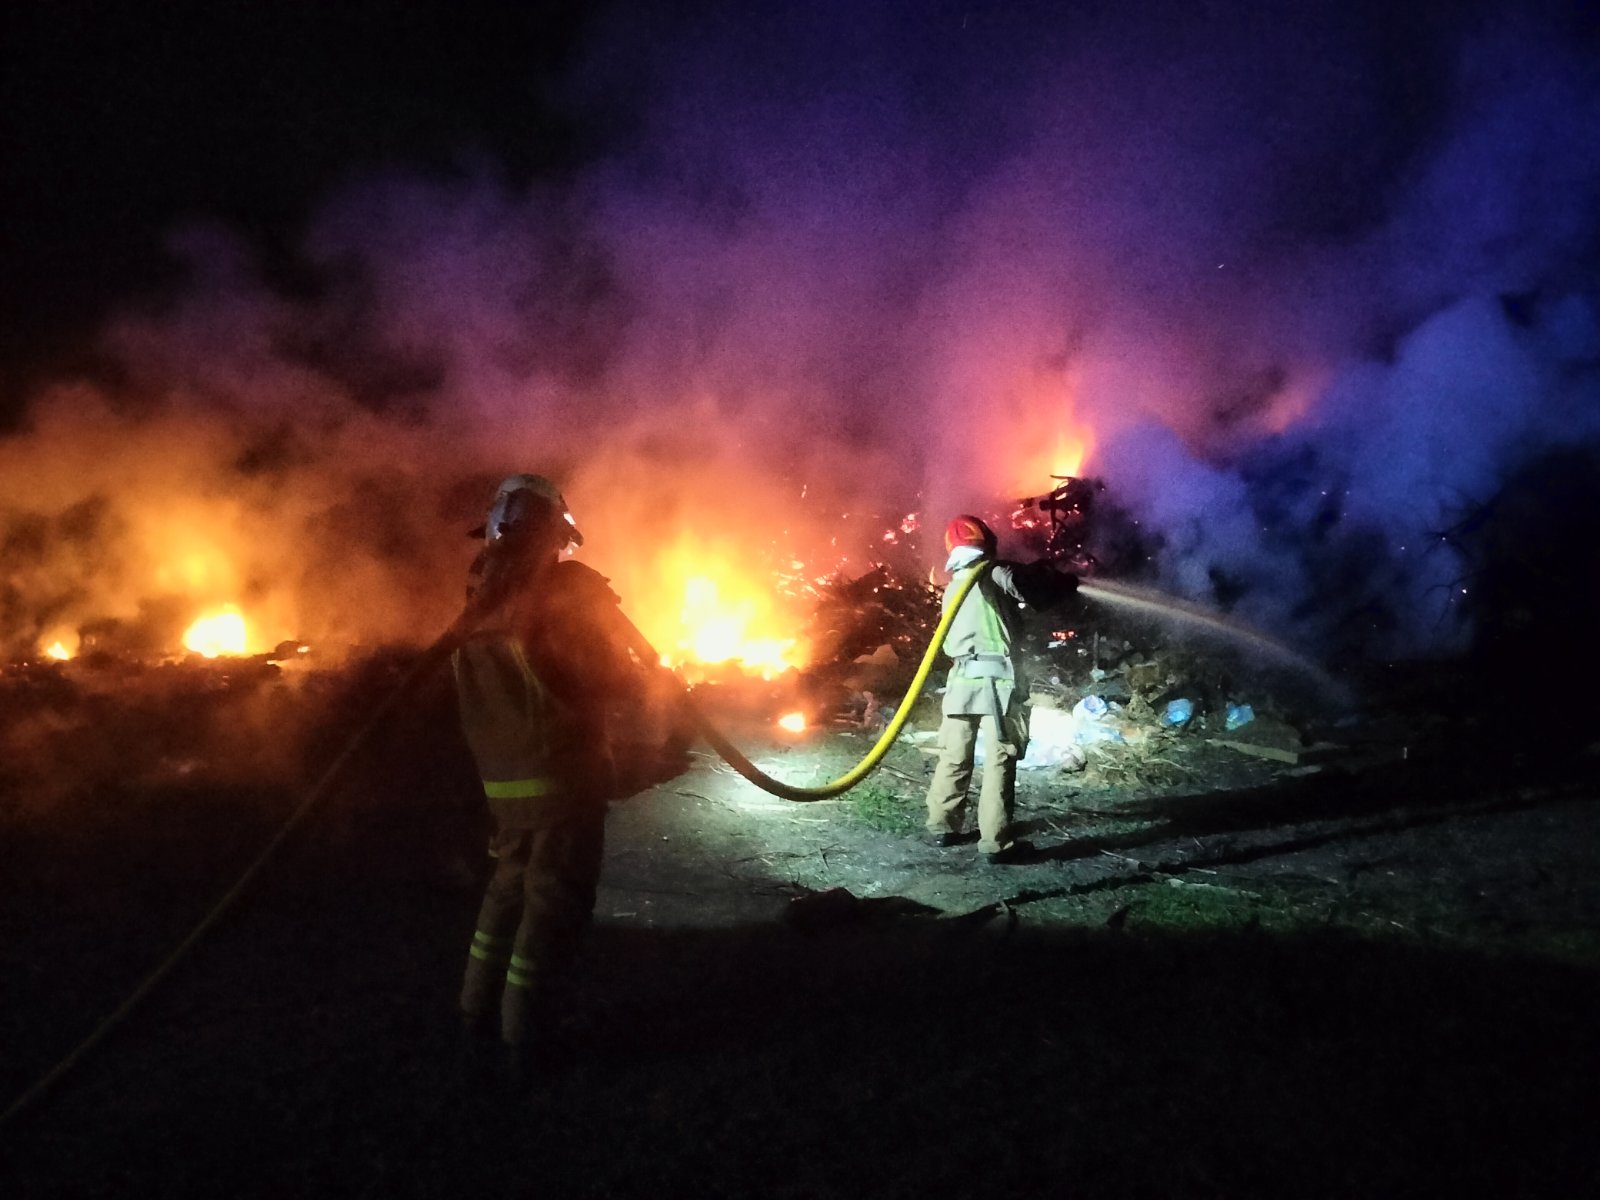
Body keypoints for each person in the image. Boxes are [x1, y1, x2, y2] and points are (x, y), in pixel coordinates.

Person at [450, 474, 656, 1082]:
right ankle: (527, 1035)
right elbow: (604, 678)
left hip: (505, 786)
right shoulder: (557, 600)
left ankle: (475, 1013)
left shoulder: (478, 603)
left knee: (507, 890)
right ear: (546, 535)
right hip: (562, 780)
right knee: (553, 905)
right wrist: (645, 678)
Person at [923, 514, 1079, 862]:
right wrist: (1056, 582)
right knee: (1000, 760)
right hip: (997, 686)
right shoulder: (992, 572)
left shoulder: (953, 585)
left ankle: (942, 826)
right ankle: (996, 843)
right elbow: (1028, 587)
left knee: (954, 754)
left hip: (961, 683)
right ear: (987, 543)